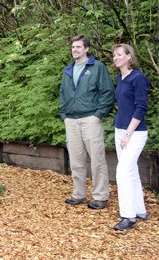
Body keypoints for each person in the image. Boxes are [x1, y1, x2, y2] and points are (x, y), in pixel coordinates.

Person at [60, 34, 115, 209]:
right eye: (73, 47)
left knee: (97, 159)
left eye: (78, 47)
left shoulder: (97, 67)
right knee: (76, 160)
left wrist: (98, 114)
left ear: (86, 49)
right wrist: (64, 115)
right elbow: (63, 94)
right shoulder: (68, 70)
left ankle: (100, 196)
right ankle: (79, 194)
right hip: (72, 120)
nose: (74, 50)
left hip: (90, 118)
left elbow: (107, 92)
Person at [111, 44, 150, 231]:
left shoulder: (138, 78)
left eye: (119, 55)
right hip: (120, 130)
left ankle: (128, 216)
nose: (115, 58)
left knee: (123, 171)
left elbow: (141, 107)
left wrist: (128, 133)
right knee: (131, 170)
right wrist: (122, 131)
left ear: (129, 57)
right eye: (114, 55)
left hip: (135, 132)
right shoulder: (120, 78)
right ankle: (139, 210)